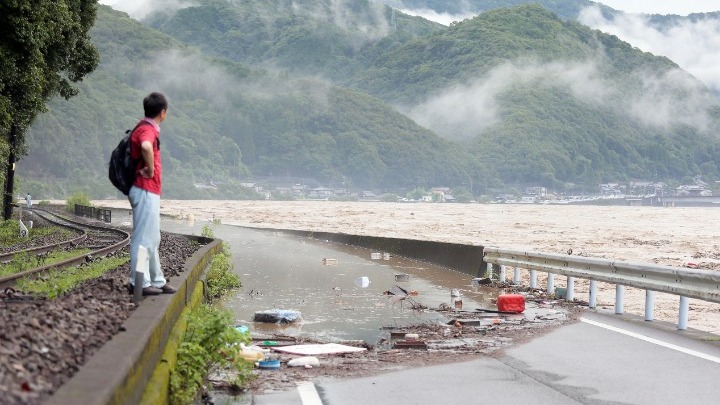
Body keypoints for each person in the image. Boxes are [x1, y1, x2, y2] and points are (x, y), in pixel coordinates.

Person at [128, 92, 176, 296]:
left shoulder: (145, 127)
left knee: (153, 238)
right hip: (144, 189)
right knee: (142, 239)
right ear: (163, 113)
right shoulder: (147, 130)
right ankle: (138, 282)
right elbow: (146, 146)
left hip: (149, 190)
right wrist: (150, 169)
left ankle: (156, 280)